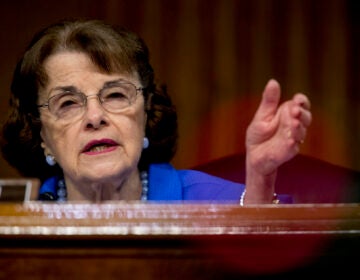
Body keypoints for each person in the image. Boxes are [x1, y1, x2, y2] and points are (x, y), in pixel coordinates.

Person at [0, 19, 311, 204]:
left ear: (146, 113)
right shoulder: (17, 218)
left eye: (116, 95)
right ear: (42, 135)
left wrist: (260, 181)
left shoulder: (212, 201)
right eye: (67, 103)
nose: (95, 117)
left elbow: (270, 248)